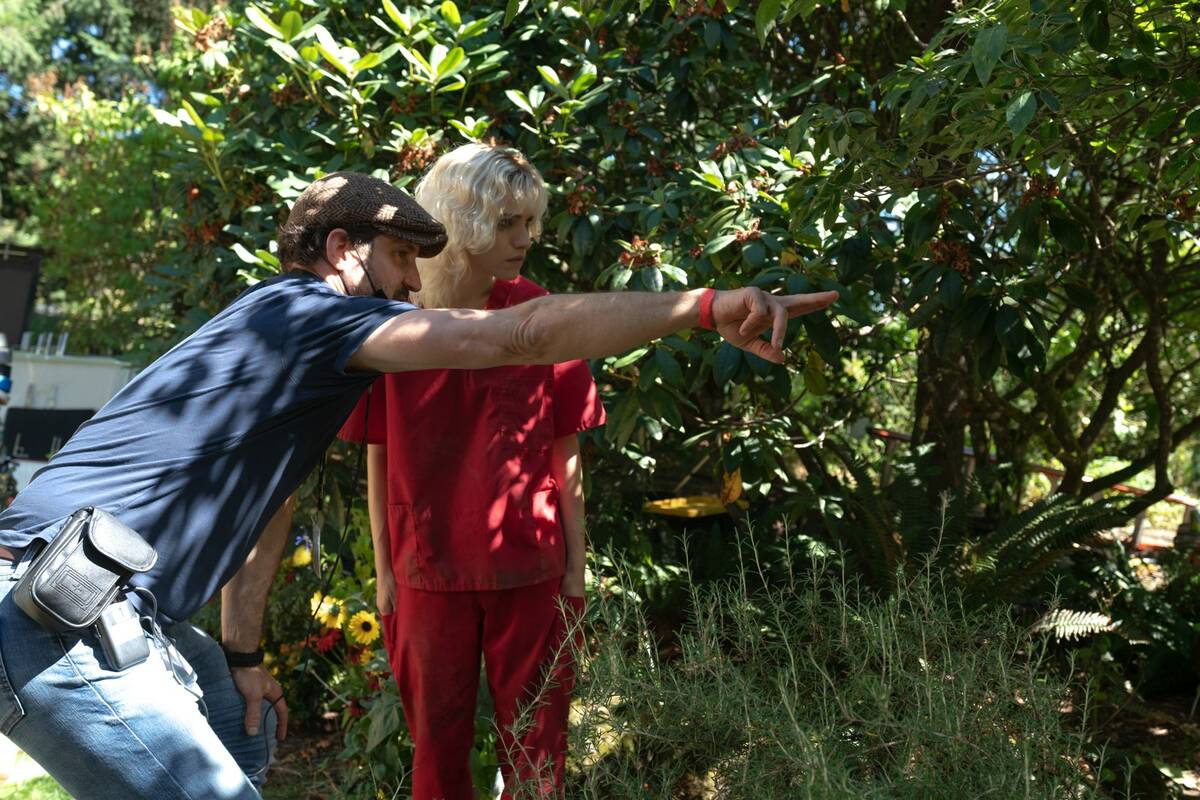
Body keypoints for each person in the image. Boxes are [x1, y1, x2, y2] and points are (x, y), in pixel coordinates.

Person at [0, 169, 838, 800]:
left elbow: (268, 507)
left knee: (240, 733)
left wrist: (246, 653)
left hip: (81, 594)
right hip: (56, 609)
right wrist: (703, 306)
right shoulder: (309, 318)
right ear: (342, 251)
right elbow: (522, 335)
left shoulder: (266, 347)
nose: (410, 282)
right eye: (400, 257)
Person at [337, 143, 603, 798]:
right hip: (426, 574)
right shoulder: (394, 322)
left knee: (539, 754)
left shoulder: (537, 311)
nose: (525, 238)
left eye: (528, 222)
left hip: (532, 569)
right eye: (509, 223)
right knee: (437, 757)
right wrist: (385, 571)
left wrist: (575, 564)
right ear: (466, 220)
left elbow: (565, 446)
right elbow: (379, 449)